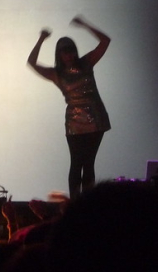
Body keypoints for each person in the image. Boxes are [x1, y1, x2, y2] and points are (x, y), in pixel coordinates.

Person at [27, 16, 111, 199]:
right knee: (76, 163)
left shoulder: (86, 63)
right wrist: (41, 39)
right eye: (65, 52)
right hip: (74, 120)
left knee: (88, 163)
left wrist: (86, 25)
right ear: (59, 54)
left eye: (71, 51)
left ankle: (88, 205)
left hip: (96, 118)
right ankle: (75, 205)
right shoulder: (56, 74)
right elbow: (31, 63)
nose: (69, 55)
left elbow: (105, 41)